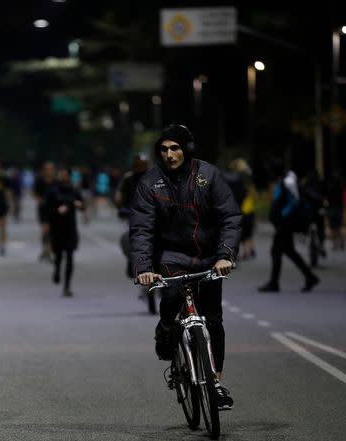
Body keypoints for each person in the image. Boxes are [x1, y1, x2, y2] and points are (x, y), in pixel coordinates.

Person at [129, 124, 241, 411]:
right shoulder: (149, 183)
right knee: (170, 299)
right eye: (164, 149)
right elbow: (141, 229)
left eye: (175, 148)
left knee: (213, 320)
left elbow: (230, 217)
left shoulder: (209, 176)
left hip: (210, 258)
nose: (169, 154)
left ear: (187, 149)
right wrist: (144, 266)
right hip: (171, 256)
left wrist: (225, 255)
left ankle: (215, 382)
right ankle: (165, 330)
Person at [258, 167, 320, 292]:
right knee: (288, 251)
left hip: (285, 223)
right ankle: (309, 277)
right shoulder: (288, 179)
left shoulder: (288, 180)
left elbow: (294, 201)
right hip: (285, 223)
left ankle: (274, 283)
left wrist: (282, 217)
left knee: (277, 251)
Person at [45, 166, 85, 297]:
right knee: (58, 256)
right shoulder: (53, 191)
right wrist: (57, 210)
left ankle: (67, 286)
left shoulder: (74, 190)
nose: (63, 177)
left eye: (65, 174)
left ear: (69, 176)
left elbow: (83, 205)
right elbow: (47, 209)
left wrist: (80, 205)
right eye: (61, 174)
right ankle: (57, 270)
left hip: (70, 229)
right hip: (57, 228)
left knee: (70, 257)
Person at [33, 161, 56, 262]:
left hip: (54, 209)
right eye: (47, 169)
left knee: (52, 231)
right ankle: (45, 250)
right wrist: (39, 199)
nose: (49, 171)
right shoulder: (40, 181)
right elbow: (35, 193)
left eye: (51, 169)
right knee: (45, 230)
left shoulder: (56, 181)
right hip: (43, 209)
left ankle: (50, 251)